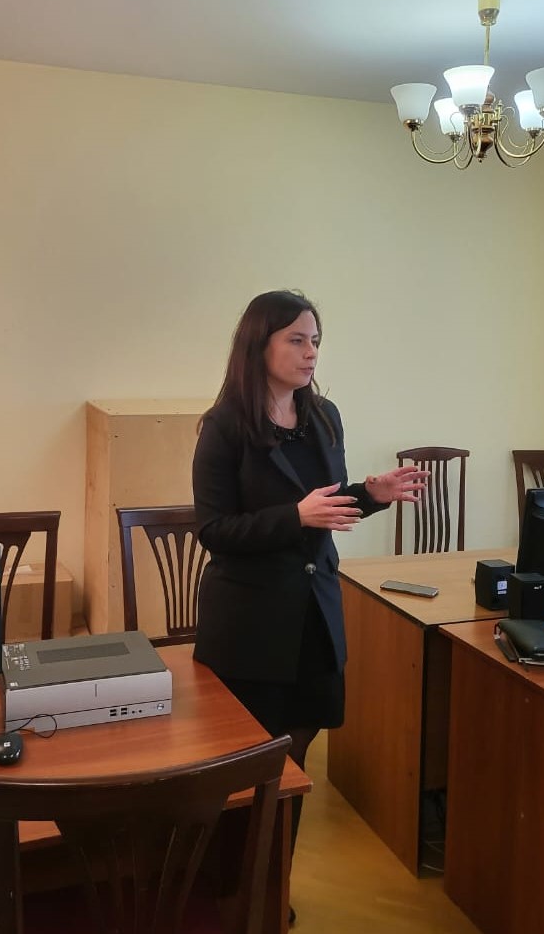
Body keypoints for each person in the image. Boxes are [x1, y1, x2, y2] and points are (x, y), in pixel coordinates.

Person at [192, 290, 428, 866]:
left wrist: (370, 495)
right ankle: (233, 883)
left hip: (315, 613)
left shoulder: (324, 416)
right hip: (251, 623)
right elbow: (214, 530)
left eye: (316, 340)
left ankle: (272, 884)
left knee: (296, 752)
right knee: (248, 763)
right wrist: (293, 517)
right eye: (296, 340)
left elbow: (327, 506)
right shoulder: (224, 426)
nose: (311, 352)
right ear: (259, 345)